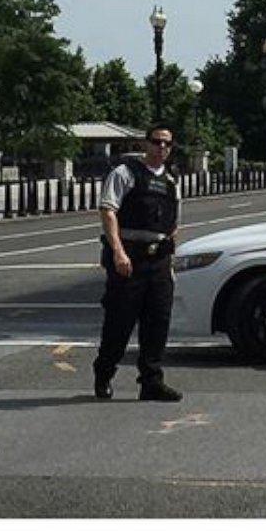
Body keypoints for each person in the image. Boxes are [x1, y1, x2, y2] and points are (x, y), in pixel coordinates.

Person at [91, 124, 183, 402]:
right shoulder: (125, 173)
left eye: (167, 144)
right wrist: (119, 252)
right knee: (120, 322)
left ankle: (151, 381)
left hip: (159, 260)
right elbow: (108, 211)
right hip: (129, 259)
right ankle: (104, 371)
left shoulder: (171, 181)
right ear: (146, 144)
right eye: (157, 142)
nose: (162, 148)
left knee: (158, 322)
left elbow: (174, 223)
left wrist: (168, 260)